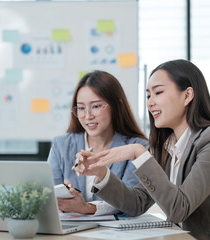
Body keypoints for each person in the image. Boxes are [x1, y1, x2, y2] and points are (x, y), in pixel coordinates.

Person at [76, 60, 210, 239]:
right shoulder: (167, 147)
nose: (150, 102)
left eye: (158, 93)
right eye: (148, 95)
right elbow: (137, 203)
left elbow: (179, 208)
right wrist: (102, 173)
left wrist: (138, 153)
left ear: (187, 95)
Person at [47, 70, 148, 215]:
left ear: (117, 105)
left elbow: (132, 204)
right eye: (81, 108)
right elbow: (48, 195)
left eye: (96, 106)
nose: (88, 116)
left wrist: (87, 208)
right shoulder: (61, 145)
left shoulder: (137, 148)